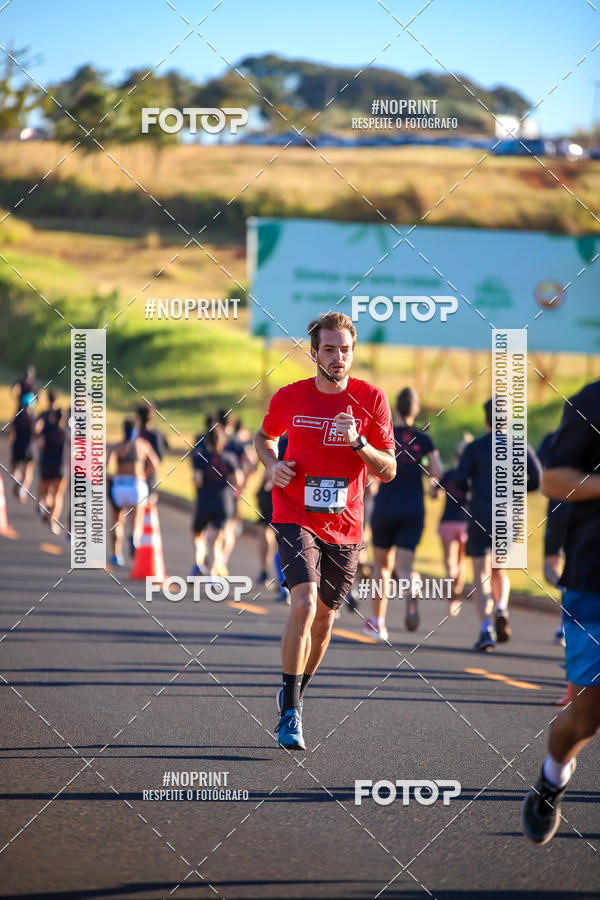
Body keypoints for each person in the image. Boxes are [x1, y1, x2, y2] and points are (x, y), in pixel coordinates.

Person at [254, 312, 396, 750]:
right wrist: (272, 464)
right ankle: (290, 712)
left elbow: (389, 470)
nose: (338, 357)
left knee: (326, 620)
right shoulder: (290, 397)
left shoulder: (371, 400)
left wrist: (360, 444)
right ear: (314, 353)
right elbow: (264, 437)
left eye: (345, 349)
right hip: (294, 511)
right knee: (305, 603)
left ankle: (295, 691)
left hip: (346, 524)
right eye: (329, 349)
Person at [522, 380, 600, 845]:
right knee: (586, 718)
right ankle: (552, 778)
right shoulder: (593, 401)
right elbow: (552, 480)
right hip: (595, 579)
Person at [455, 398, 541, 652]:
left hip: (481, 513)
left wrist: (471, 487)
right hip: (508, 517)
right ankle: (502, 607)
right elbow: (536, 479)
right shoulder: (519, 446)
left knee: (480, 575)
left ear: (486, 420)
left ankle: (485, 630)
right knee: (499, 570)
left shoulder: (475, 448)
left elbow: (459, 479)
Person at [365, 387, 443, 640]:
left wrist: (371, 487)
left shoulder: (385, 435)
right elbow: (437, 470)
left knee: (382, 566)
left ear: (395, 409)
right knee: (405, 565)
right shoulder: (424, 439)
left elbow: (372, 467)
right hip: (413, 507)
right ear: (416, 410)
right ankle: (411, 587)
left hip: (386, 504)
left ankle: (378, 622)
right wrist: (432, 485)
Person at [190, 424, 243, 578]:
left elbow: (197, 479)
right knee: (216, 541)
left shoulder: (200, 456)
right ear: (223, 442)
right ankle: (214, 575)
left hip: (205, 502)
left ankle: (198, 564)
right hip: (224, 503)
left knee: (198, 534)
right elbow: (238, 480)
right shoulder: (230, 458)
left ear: (207, 441)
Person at [107, 419, 160, 566]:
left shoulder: (117, 446)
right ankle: (134, 538)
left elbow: (106, 465)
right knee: (136, 521)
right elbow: (155, 463)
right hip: (137, 485)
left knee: (117, 522)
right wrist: (144, 472)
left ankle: (116, 555)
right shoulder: (143, 445)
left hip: (119, 485)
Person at [538, 430, 570, 647]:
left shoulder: (552, 439)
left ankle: (567, 595)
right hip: (587, 514)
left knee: (552, 569)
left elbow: (539, 473)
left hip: (558, 510)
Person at [436, 434, 474, 617]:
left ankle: (452, 598)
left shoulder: (450, 474)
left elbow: (435, 493)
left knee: (450, 563)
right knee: (461, 562)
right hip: (467, 522)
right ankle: (456, 599)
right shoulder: (474, 477)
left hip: (448, 522)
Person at [256, 433, 290, 602]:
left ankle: (283, 582)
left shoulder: (280, 441)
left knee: (279, 541)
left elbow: (267, 469)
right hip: (288, 496)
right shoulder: (290, 440)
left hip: (277, 495)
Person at [34, 401, 68, 534]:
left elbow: (39, 444)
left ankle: (46, 505)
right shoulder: (67, 433)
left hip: (47, 465)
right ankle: (53, 521)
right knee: (58, 495)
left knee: (45, 492)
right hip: (61, 467)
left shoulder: (47, 430)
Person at [8, 393, 37, 503]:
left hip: (18, 446)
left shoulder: (18, 415)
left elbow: (11, 430)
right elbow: (37, 432)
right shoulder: (34, 417)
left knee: (14, 468)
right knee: (28, 470)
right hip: (29, 448)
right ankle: (22, 489)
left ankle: (18, 481)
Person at [136, 405, 168, 502]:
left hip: (134, 476)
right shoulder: (156, 435)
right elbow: (158, 459)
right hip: (149, 478)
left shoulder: (134, 433)